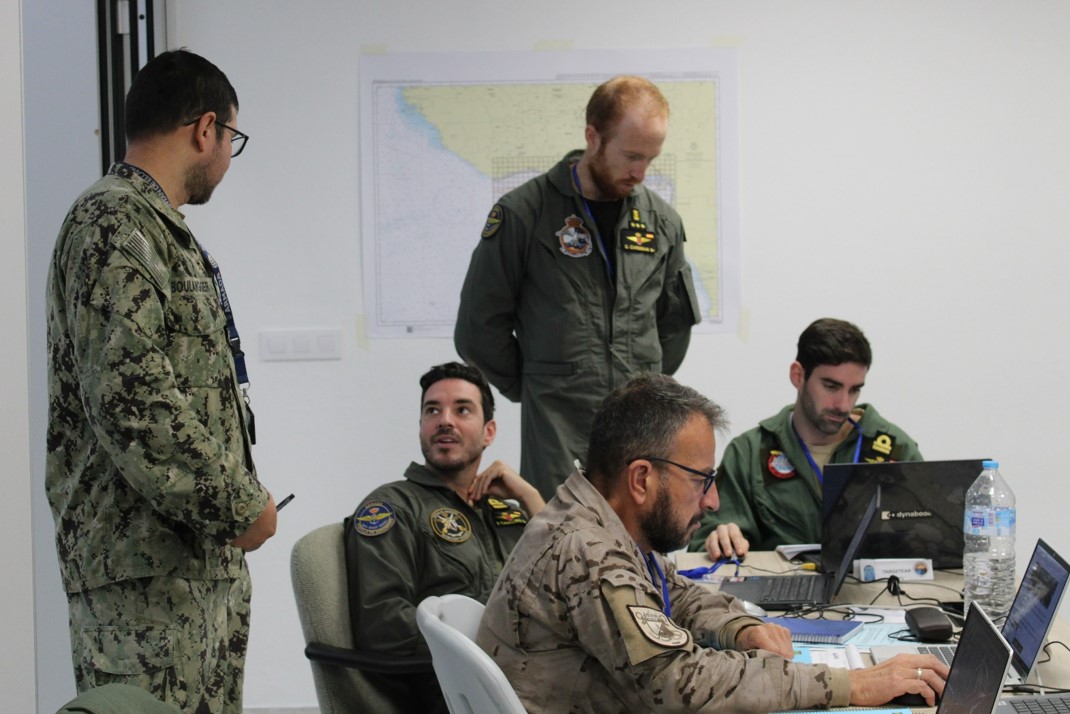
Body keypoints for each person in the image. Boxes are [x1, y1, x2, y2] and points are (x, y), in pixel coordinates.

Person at [477, 373, 947, 712]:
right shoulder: (590, 554)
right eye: (702, 479)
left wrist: (736, 628)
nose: (712, 500)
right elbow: (680, 683)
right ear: (641, 479)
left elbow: (672, 592)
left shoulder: (602, 521)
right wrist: (850, 685)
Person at [45, 50, 276, 714]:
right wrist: (237, 504)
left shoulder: (153, 228)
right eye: (232, 138)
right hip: (141, 582)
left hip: (183, 571)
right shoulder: (112, 222)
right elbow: (133, 399)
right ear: (205, 129)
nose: (228, 157)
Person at [454, 75, 700, 499]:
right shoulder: (524, 215)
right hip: (557, 435)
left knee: (639, 556)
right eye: (631, 156)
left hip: (640, 434)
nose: (640, 173)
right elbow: (479, 328)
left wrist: (644, 382)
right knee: (563, 554)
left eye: (651, 159)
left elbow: (674, 325)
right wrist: (535, 385)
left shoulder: (661, 223)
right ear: (593, 136)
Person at [345, 361, 544, 712]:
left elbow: (569, 586)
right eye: (432, 410)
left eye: (462, 409)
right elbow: (383, 625)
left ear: (489, 432)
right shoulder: (392, 507)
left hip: (536, 677)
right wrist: (494, 645)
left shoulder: (508, 511)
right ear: (422, 426)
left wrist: (530, 498)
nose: (445, 420)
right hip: (460, 691)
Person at [692, 317, 923, 560]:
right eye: (831, 386)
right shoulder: (749, 453)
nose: (843, 405)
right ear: (798, 375)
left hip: (874, 593)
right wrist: (718, 538)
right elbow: (702, 546)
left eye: (854, 389)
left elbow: (932, 538)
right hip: (780, 594)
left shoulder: (895, 449)